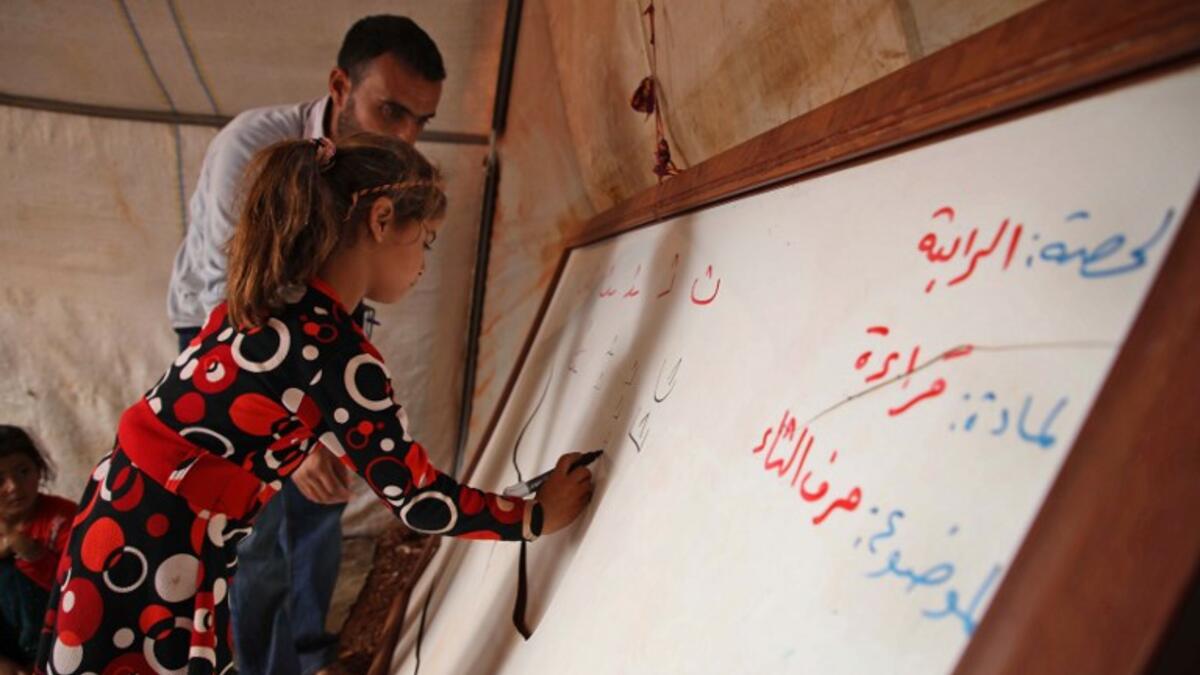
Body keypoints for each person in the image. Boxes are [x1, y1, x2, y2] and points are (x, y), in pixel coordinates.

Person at [35, 133, 595, 673]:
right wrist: (534, 515)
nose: (423, 264)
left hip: (122, 513)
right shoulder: (332, 350)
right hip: (160, 544)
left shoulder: (272, 300)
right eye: (423, 239)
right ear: (380, 220)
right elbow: (417, 498)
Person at [165, 15, 447, 674]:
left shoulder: (387, 167)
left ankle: (307, 653)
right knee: (264, 523)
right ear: (339, 85)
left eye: (421, 121)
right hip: (225, 333)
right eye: (391, 110)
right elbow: (228, 299)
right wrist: (285, 439)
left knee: (322, 504)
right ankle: (260, 662)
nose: (405, 135)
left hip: (313, 337)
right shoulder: (254, 147)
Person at [0, 426, 75, 675]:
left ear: (39, 469)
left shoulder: (63, 519)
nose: (14, 486)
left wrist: (33, 556)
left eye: (23, 471)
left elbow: (77, 586)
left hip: (54, 640)